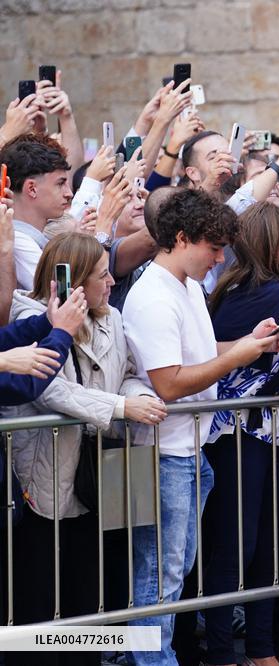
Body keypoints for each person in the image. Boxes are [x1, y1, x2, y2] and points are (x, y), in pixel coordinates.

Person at [121, 189, 279, 666]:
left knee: (177, 570)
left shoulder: (187, 285)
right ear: (180, 238)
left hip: (190, 449)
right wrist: (237, 355)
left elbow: (199, 348)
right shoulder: (152, 295)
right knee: (161, 574)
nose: (219, 258)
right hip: (163, 453)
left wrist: (247, 343)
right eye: (213, 247)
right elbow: (169, 382)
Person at [6, 233, 158, 666]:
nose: (111, 282)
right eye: (101, 275)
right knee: (39, 590)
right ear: (72, 283)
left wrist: (134, 397)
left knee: (89, 587)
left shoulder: (110, 315)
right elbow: (50, 390)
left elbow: (127, 370)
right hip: (48, 470)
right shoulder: (34, 314)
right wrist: (121, 405)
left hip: (102, 469)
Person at [0, 134, 72, 289]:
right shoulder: (18, 242)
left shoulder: (26, 239)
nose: (69, 193)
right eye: (60, 184)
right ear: (32, 189)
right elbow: (60, 295)